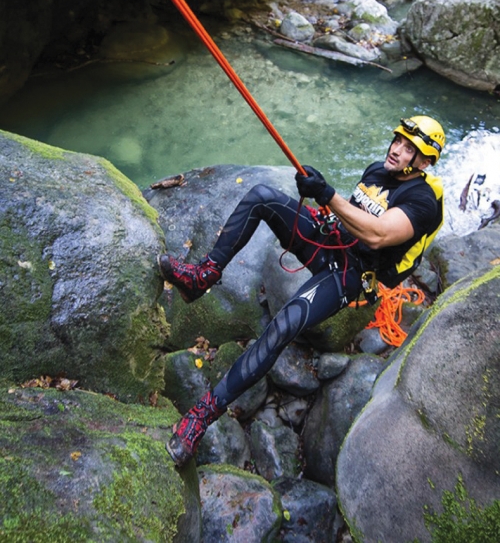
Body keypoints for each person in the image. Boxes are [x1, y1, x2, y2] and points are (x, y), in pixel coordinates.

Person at [158, 114, 445, 467]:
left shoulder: (423, 202)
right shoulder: (375, 171)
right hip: (333, 244)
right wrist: (322, 202)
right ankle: (203, 276)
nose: (397, 150)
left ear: (425, 161)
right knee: (263, 196)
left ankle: (199, 419)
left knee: (283, 325)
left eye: (409, 148)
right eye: (398, 141)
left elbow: (378, 234)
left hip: (353, 274)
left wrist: (327, 194)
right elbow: (351, 216)